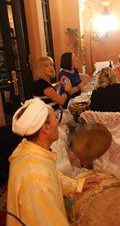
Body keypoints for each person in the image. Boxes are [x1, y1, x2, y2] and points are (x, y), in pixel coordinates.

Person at [7, 98, 99, 226]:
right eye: (54, 117)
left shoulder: (29, 149)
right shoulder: (37, 177)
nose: (57, 121)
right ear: (45, 128)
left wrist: (77, 184)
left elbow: (54, 176)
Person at [32, 56, 74, 125]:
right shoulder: (43, 85)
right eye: (46, 66)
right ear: (40, 69)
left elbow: (50, 91)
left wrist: (59, 84)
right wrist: (67, 90)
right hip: (51, 118)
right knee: (75, 116)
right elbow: (61, 101)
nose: (51, 68)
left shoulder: (40, 82)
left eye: (51, 65)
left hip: (49, 115)